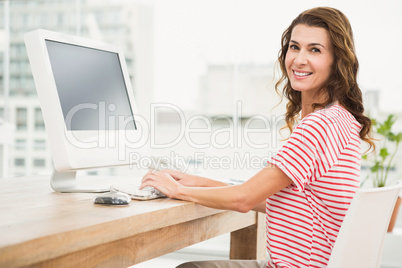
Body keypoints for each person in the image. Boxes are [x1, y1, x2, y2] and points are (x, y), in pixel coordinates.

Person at [140, 6, 375, 268]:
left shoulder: (320, 125)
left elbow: (244, 199)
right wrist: (197, 181)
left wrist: (177, 190)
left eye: (315, 50)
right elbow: (274, 197)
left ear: (337, 60)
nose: (299, 59)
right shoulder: (340, 118)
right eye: (294, 47)